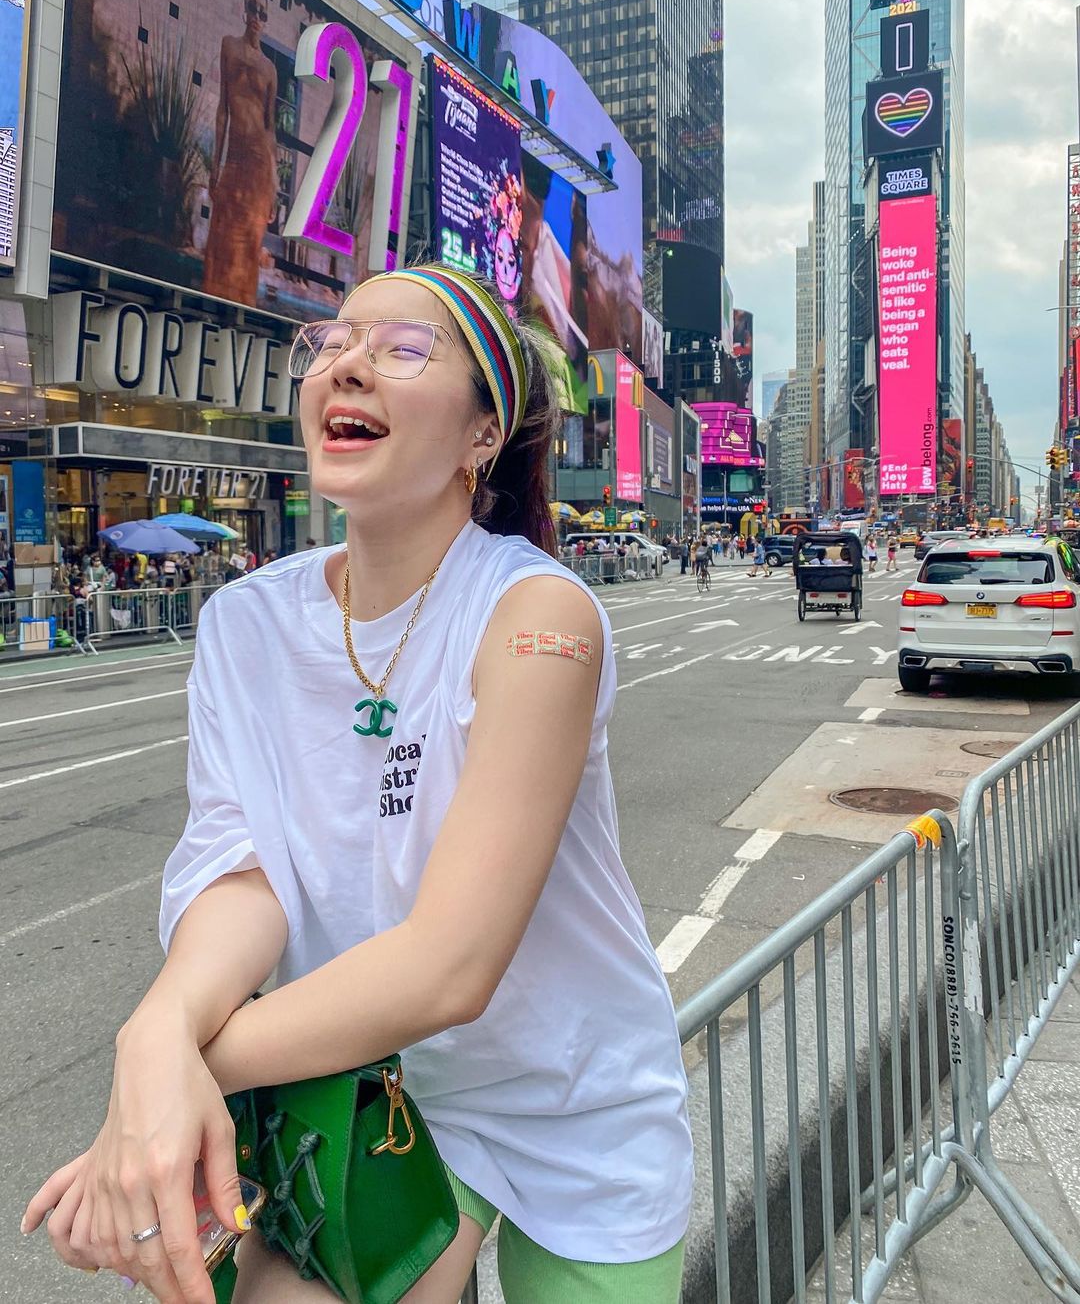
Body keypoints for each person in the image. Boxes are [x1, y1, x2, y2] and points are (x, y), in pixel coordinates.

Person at [24, 264, 693, 1303]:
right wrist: (155, 1029)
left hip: (579, 1100)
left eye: (404, 349)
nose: (348, 364)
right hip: (377, 1091)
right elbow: (242, 875)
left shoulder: (538, 618)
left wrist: (175, 1073)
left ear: (482, 434)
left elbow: (449, 964)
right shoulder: (242, 625)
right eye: (332, 342)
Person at [202, 0, 278, 305]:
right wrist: (215, 165)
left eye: (263, 12)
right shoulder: (229, 46)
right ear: (244, 9)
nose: (257, 17)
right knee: (221, 234)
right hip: (234, 157)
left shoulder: (270, 69)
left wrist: (274, 186)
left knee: (249, 242)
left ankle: (242, 308)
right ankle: (210, 303)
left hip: (259, 164)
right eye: (252, 8)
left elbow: (271, 129)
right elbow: (223, 108)